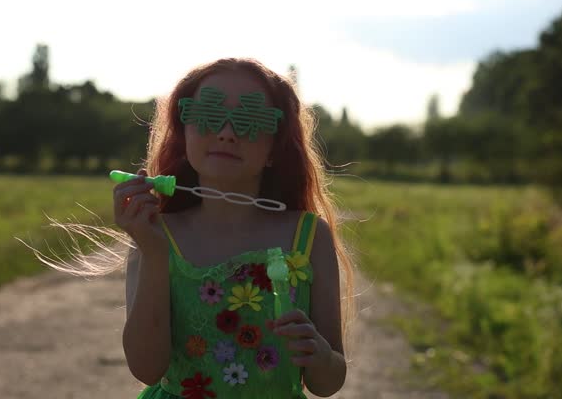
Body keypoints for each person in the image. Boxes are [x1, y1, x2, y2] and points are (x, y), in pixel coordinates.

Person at [41, 57, 355, 399]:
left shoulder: (308, 237)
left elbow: (328, 383)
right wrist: (155, 253)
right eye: (207, 115)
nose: (226, 133)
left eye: (249, 120)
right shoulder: (157, 235)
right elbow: (147, 368)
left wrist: (320, 356)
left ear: (275, 147)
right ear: (183, 132)